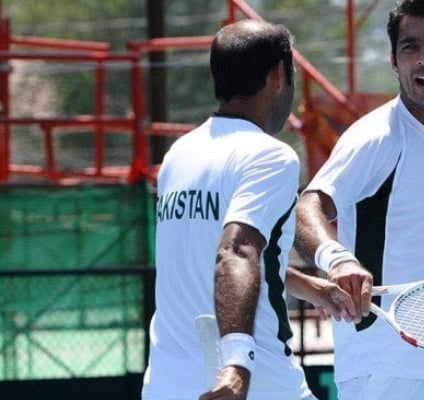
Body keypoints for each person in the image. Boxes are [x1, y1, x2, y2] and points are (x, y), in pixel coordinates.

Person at [293, 0, 424, 398]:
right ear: (393, 59)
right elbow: (308, 207)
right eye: (410, 47)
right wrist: (338, 260)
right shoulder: (376, 138)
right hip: (383, 372)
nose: (423, 60)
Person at [141, 19, 352, 400]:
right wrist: (236, 367)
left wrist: (309, 287)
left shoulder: (180, 154)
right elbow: (237, 251)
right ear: (277, 74)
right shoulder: (271, 157)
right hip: (256, 386)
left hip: (166, 387)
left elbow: (213, 253)